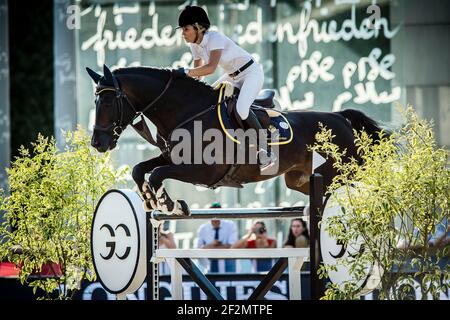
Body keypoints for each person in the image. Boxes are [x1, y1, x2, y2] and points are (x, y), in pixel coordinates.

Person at [176, 5, 277, 173]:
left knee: (242, 110)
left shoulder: (214, 38)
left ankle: (266, 150)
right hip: (233, 75)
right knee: (211, 99)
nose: (183, 33)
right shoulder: (194, 45)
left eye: (186, 29)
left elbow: (210, 68)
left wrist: (185, 72)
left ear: (198, 27)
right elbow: (198, 74)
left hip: (251, 73)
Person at [196, 202, 238, 273]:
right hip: (209, 266)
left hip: (228, 264)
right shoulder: (203, 228)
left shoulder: (230, 225)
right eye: (212, 215)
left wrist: (209, 247)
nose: (215, 218)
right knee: (209, 282)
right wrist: (212, 244)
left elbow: (232, 246)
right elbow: (198, 250)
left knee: (229, 281)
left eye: (217, 215)